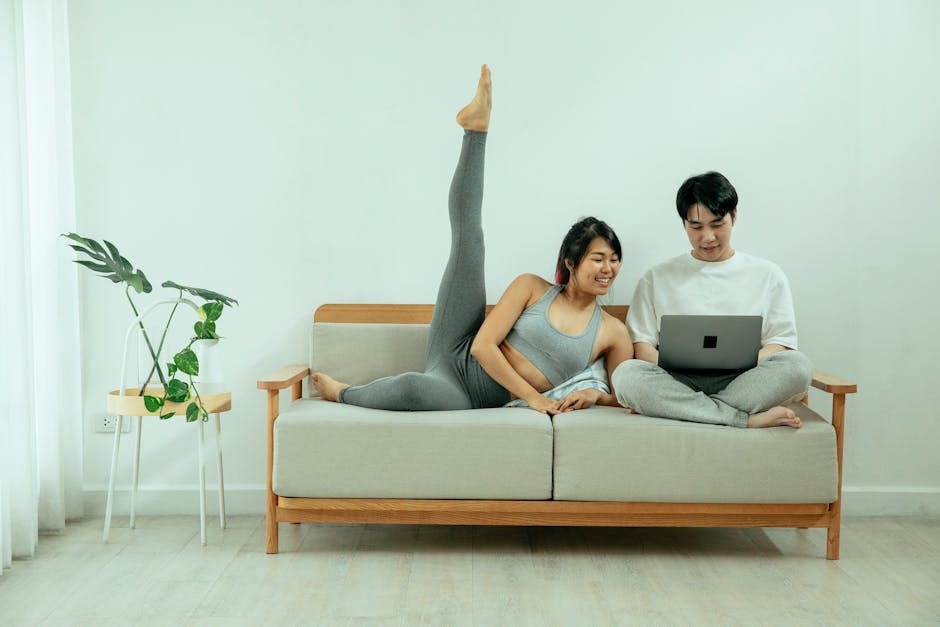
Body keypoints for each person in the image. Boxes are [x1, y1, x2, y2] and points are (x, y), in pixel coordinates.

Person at [312, 65, 633, 416]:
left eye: (614, 258)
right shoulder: (532, 288)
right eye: (598, 258)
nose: (608, 268)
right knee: (470, 244)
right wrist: (534, 398)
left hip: (466, 394)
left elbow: (627, 395)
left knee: (414, 391)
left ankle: (342, 392)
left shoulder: (612, 332)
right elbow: (482, 346)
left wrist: (594, 395)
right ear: (571, 262)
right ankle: (476, 130)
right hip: (457, 345)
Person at [611, 171, 813, 428]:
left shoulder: (768, 275)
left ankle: (685, 410)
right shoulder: (656, 278)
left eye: (717, 224)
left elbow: (781, 344)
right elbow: (642, 348)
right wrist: (669, 377)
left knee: (799, 367)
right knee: (626, 377)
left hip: (743, 381)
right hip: (676, 381)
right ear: (683, 223)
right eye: (696, 227)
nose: (707, 237)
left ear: (734, 216)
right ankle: (742, 420)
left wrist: (743, 364)